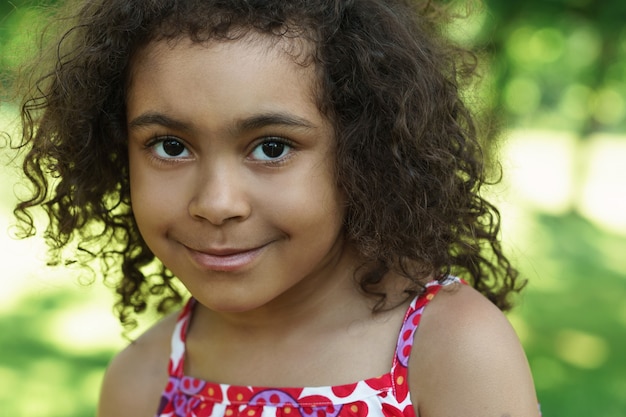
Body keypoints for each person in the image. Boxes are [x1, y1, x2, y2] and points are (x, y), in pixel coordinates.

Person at [9, 0, 541, 416]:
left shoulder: (449, 350)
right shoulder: (140, 382)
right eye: (171, 145)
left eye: (271, 147)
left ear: (363, 150)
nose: (216, 203)